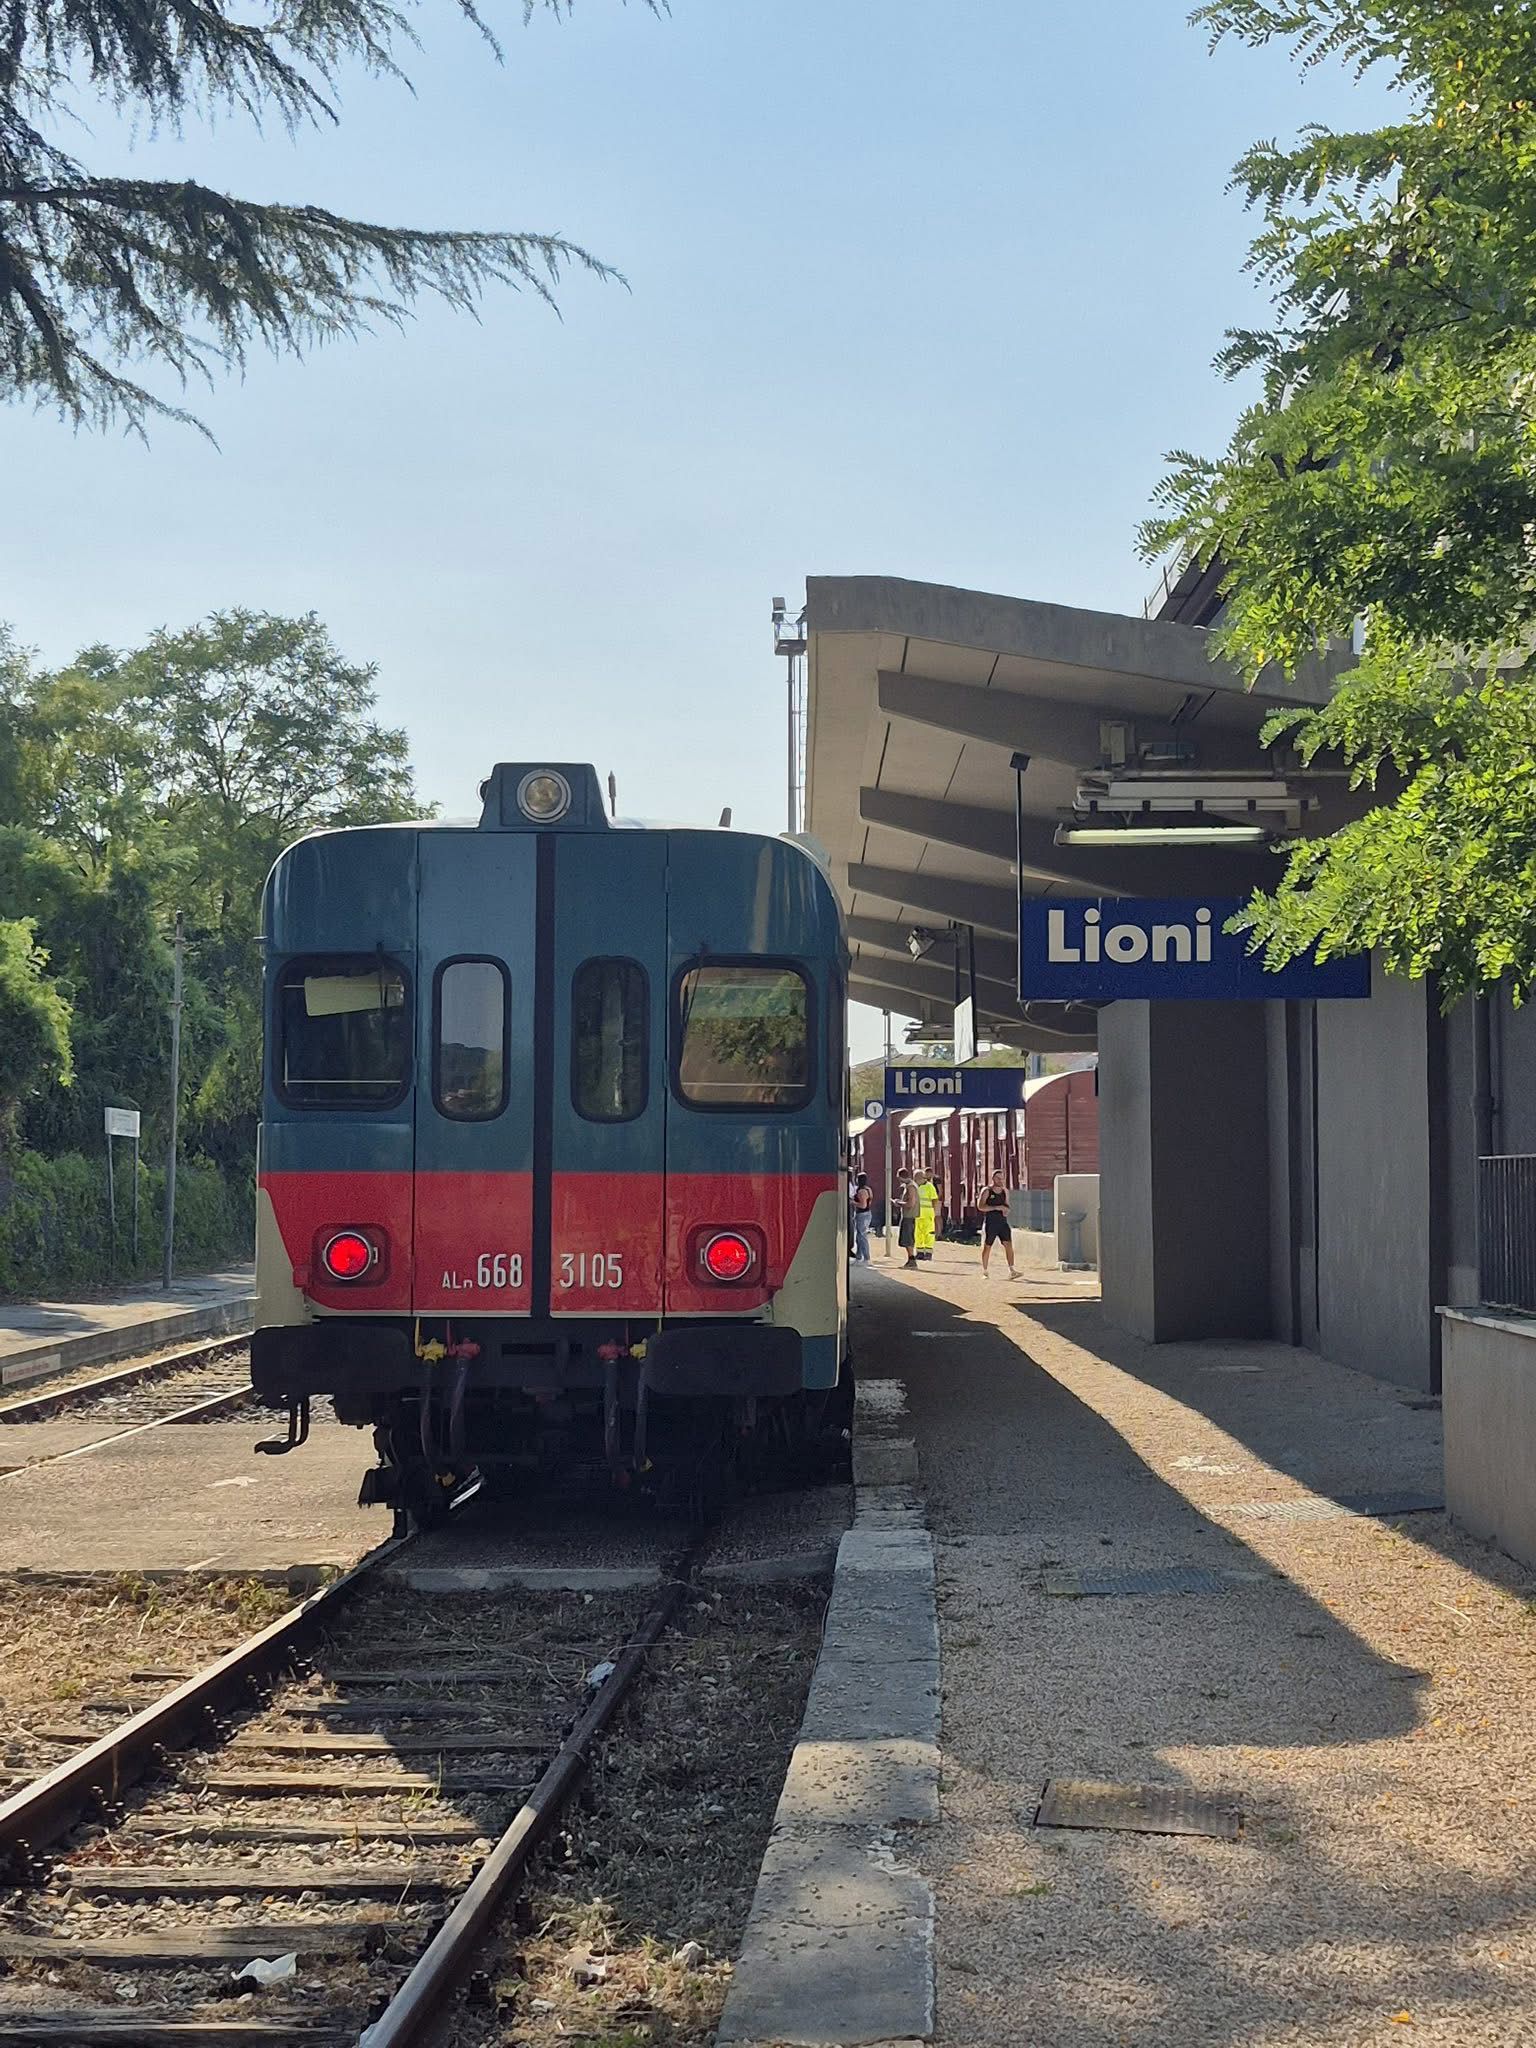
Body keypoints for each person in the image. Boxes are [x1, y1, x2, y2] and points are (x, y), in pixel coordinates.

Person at [979, 1169, 1018, 1279]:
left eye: (1002, 1178)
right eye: (998, 1178)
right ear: (993, 1179)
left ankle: (1012, 1270)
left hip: (1003, 1222)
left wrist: (1006, 1210)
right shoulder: (987, 1191)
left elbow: (1007, 1205)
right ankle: (985, 1271)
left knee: (1008, 1245)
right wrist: (996, 1207)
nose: (1000, 1180)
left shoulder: (1005, 1191)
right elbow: (980, 1207)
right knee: (987, 1246)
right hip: (991, 1222)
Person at [896, 1171, 919, 1269]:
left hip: (909, 1216)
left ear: (901, 1177)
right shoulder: (910, 1185)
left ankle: (912, 1260)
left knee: (908, 1239)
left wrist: (899, 1203)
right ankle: (911, 1259)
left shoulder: (910, 1187)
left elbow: (911, 1203)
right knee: (906, 1239)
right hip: (908, 1216)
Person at [914, 1169, 939, 1261]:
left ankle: (928, 1252)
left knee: (928, 1233)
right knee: (918, 1233)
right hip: (917, 1213)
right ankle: (920, 1252)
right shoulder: (915, 1186)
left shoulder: (929, 1186)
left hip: (927, 1213)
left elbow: (934, 1199)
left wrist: (934, 1212)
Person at [851, 1172, 874, 1263]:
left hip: (862, 1214)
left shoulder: (861, 1191)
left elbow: (863, 1205)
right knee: (859, 1236)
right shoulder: (868, 1189)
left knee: (862, 1236)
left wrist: (853, 1202)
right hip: (868, 1214)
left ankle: (866, 1257)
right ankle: (858, 1256)